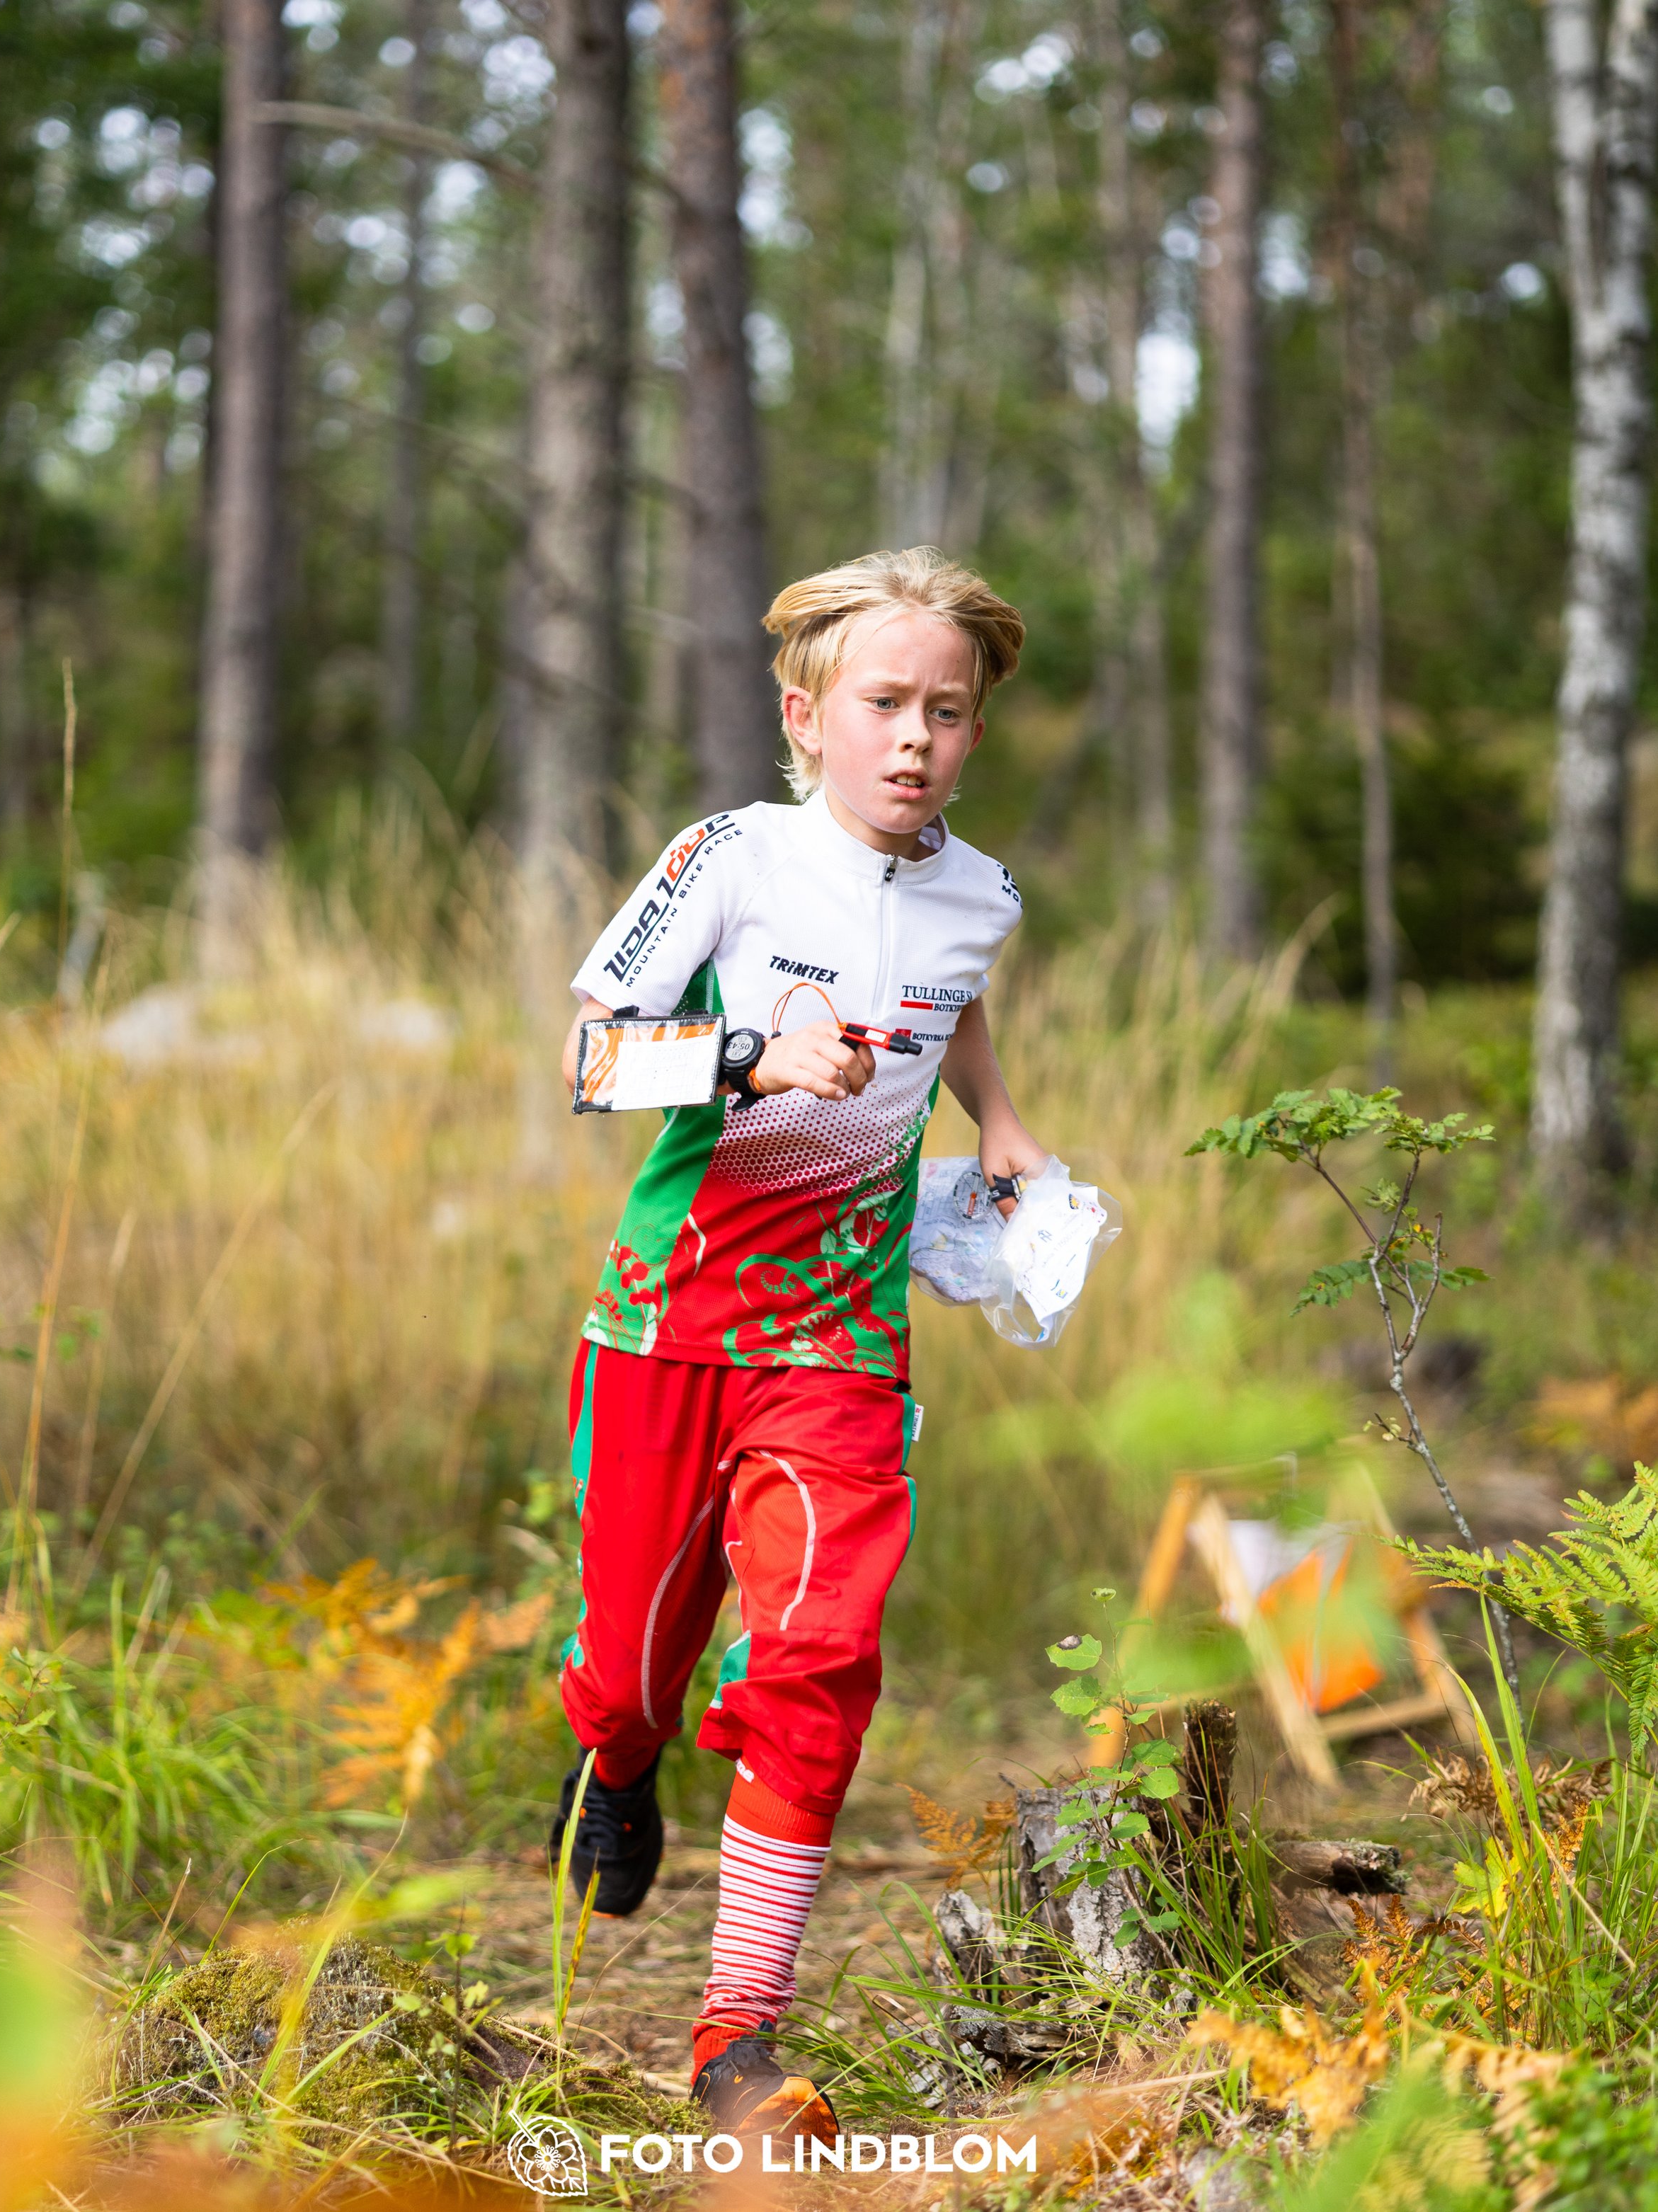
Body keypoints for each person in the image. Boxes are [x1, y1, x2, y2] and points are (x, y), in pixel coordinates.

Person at [551, 546, 1046, 2139]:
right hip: (666, 1317)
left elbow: (948, 998)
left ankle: (735, 2036)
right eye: (883, 704)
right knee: (633, 1662)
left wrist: (1006, 1122)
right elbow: (587, 1060)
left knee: (822, 1649)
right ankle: (614, 1762)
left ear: (973, 735)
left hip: (841, 1334)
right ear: (806, 713)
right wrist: (756, 1056)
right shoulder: (732, 857)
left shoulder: (983, 890)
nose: (914, 739)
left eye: (946, 713)